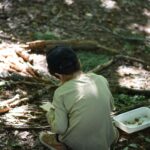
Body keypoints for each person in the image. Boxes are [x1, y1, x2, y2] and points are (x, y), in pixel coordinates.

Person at [39, 46, 119, 150]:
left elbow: (60, 128)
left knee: (61, 131)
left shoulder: (61, 93)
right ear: (79, 62)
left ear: (56, 74)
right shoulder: (100, 79)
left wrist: (50, 113)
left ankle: (61, 144)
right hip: (107, 138)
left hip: (79, 145)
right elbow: (111, 106)